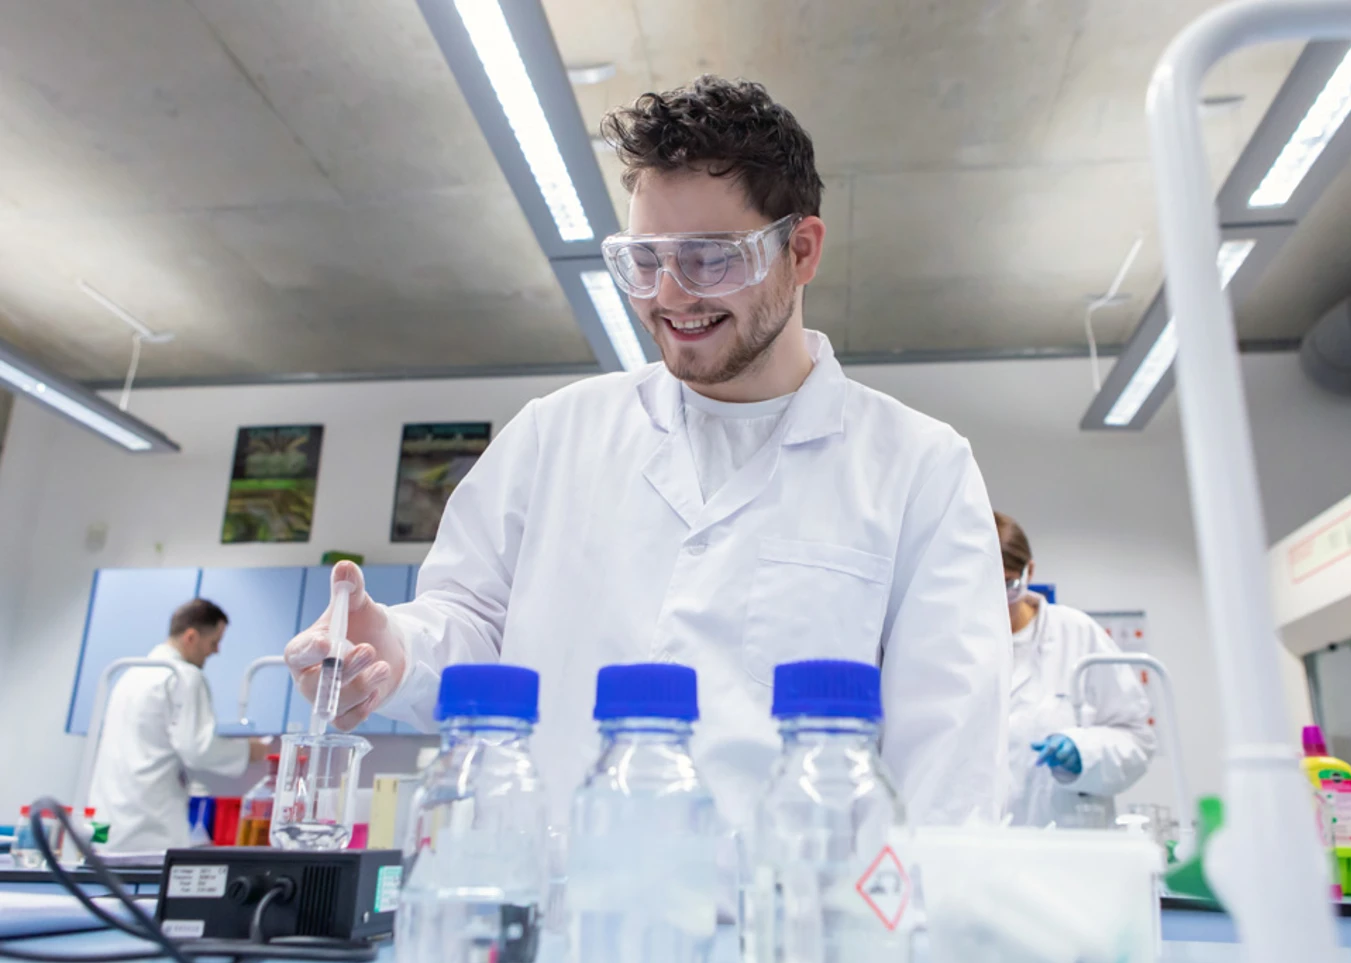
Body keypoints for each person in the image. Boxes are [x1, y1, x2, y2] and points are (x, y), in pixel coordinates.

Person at [285, 76, 1011, 831]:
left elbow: (949, 770)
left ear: (800, 250)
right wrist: (395, 649)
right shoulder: (553, 435)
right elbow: (470, 619)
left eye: (709, 258)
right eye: (644, 259)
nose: (669, 295)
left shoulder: (919, 469)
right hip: (552, 918)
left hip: (786, 934)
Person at [996, 511, 1156, 827]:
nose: (999, 601)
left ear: (1030, 572)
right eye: (985, 587)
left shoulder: (1078, 633)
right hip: (979, 846)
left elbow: (1138, 740)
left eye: (1008, 585)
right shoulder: (955, 645)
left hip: (1067, 844)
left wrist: (1086, 751)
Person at [90, 599, 267, 852]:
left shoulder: (129, 674)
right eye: (214, 642)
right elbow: (198, 749)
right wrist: (252, 751)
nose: (216, 651)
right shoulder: (184, 676)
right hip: (150, 830)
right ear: (191, 637)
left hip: (105, 826)